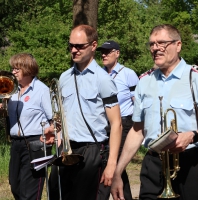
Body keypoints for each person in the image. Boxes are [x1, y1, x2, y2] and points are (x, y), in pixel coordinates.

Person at [111, 24, 198, 200]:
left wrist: (193, 135)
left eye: (162, 43)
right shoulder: (144, 81)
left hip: (189, 165)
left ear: (178, 45)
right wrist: (118, 172)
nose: (155, 48)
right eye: (152, 44)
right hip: (153, 165)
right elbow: (137, 131)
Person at [49, 25, 122, 200]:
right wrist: (56, 132)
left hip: (92, 151)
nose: (74, 50)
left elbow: (116, 124)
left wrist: (112, 165)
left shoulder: (103, 79)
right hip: (65, 151)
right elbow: (61, 115)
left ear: (93, 45)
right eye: (71, 46)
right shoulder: (64, 77)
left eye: (79, 46)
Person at [4, 53, 54, 200]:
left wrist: (51, 132)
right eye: (12, 68)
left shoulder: (41, 90)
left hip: (35, 144)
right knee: (15, 185)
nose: (13, 72)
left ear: (28, 69)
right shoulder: (12, 90)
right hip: (16, 143)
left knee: (30, 191)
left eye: (16, 68)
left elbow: (54, 118)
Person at [97, 40, 139, 200]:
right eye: (102, 51)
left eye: (108, 51)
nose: (104, 54)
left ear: (117, 53)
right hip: (103, 124)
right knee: (115, 167)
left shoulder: (128, 74)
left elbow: (138, 102)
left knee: (111, 163)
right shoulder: (99, 74)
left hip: (124, 123)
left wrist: (138, 128)